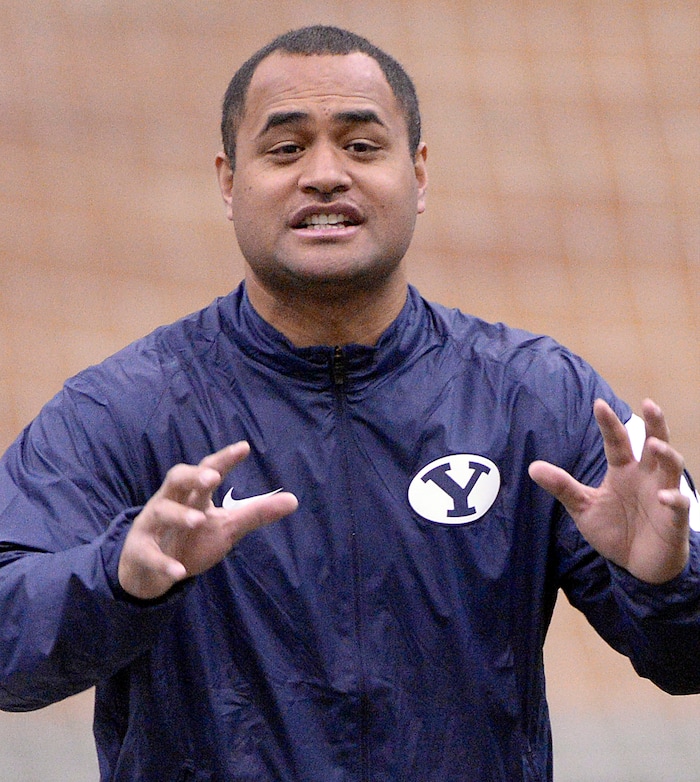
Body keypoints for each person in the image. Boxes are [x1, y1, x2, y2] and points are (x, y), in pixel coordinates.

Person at [0, 24, 698, 782]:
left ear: (420, 175)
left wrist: (667, 579)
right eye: (286, 149)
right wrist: (118, 581)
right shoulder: (124, 412)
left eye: (362, 146)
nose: (326, 174)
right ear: (229, 181)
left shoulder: (541, 398)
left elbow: (686, 660)